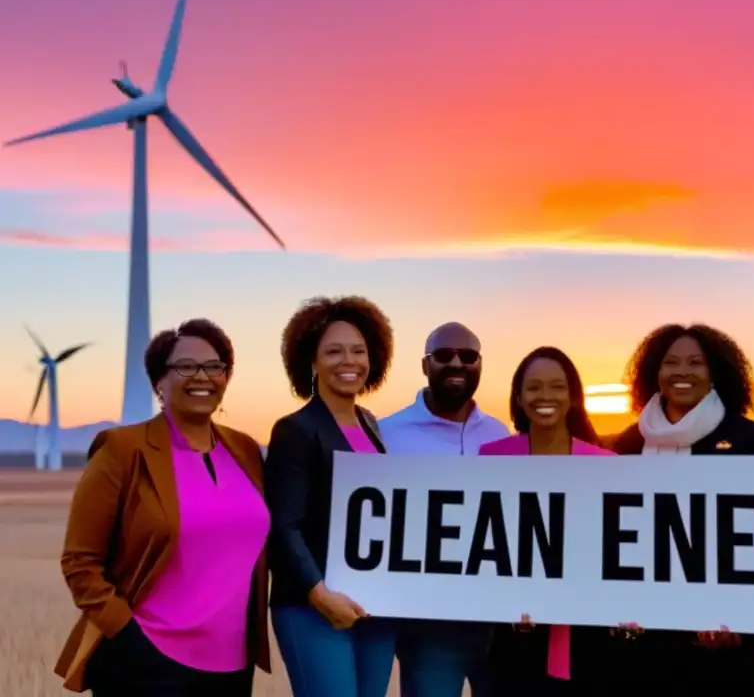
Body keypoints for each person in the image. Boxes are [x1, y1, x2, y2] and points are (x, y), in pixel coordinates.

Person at [56, 319, 271, 696]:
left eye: (215, 366)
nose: (202, 376)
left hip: (233, 665)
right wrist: (126, 634)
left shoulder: (247, 451)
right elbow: (79, 560)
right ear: (159, 381)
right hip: (146, 663)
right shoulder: (123, 449)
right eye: (185, 366)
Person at [611, 323, 754, 696]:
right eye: (671, 362)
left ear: (715, 372)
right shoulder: (628, 444)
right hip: (642, 651)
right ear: (654, 372)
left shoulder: (752, 440)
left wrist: (740, 623)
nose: (682, 372)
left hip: (724, 651)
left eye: (695, 363)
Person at [264, 296, 397, 697]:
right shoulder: (295, 430)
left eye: (358, 351)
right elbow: (283, 526)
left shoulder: (370, 425)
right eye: (334, 351)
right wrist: (320, 594)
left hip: (372, 606)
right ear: (312, 361)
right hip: (312, 607)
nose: (349, 361)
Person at [379, 322, 510, 697]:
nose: (456, 363)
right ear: (425, 365)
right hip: (429, 628)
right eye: (443, 355)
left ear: (480, 365)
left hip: (498, 624)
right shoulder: (388, 434)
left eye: (467, 356)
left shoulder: (500, 435)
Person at [479, 346, 618, 697]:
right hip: (510, 635)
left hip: (587, 639)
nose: (545, 396)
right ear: (519, 397)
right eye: (534, 387)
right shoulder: (492, 458)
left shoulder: (607, 464)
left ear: (572, 396)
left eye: (557, 386)